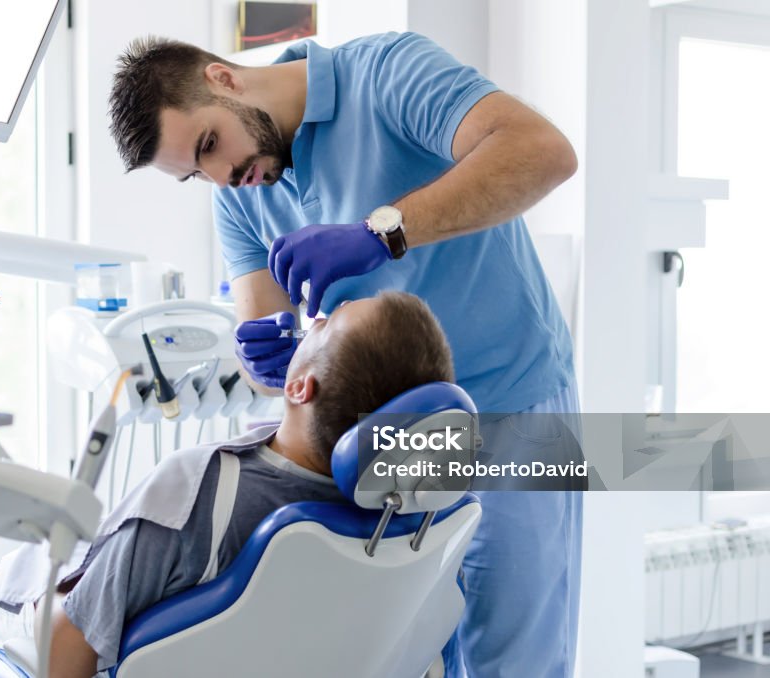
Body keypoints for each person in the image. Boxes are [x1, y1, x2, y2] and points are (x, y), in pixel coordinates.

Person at [107, 33, 582, 677]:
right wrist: (268, 360)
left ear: (223, 79)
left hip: (511, 409)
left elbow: (544, 153)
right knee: (410, 655)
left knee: (512, 656)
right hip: (385, 443)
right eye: (198, 173)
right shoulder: (241, 192)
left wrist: (384, 231)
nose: (222, 178)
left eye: (210, 145)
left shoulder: (386, 74)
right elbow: (264, 327)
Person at [41, 292, 456, 676]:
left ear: (299, 387)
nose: (321, 314)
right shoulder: (422, 523)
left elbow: (71, 641)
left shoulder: (194, 491)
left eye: (328, 323)